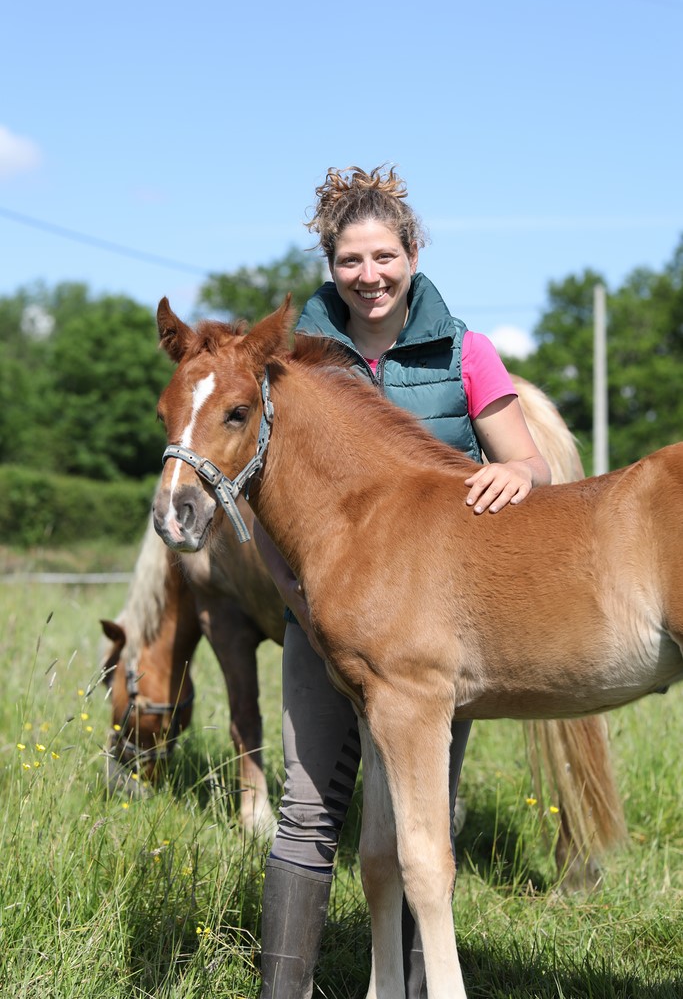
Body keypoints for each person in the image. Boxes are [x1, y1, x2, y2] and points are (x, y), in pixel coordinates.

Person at [254, 165, 551, 999]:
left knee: (426, 808)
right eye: (350, 261)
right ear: (329, 264)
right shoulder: (291, 365)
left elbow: (523, 456)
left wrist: (520, 476)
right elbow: (264, 496)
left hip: (429, 622)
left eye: (384, 255)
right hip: (316, 614)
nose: (369, 276)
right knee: (309, 805)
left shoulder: (464, 349)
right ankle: (285, 989)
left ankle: (422, 986)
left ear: (413, 252)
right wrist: (300, 602)